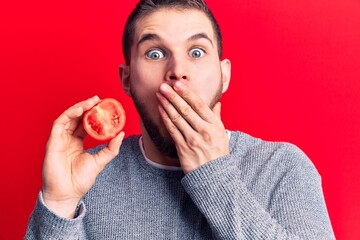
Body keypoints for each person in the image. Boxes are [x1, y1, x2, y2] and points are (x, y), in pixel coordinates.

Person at [25, 0, 335, 239]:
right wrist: (59, 204)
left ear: (224, 75)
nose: (177, 70)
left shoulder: (284, 168)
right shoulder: (86, 178)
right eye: (155, 54)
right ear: (128, 79)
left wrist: (214, 177)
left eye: (197, 52)